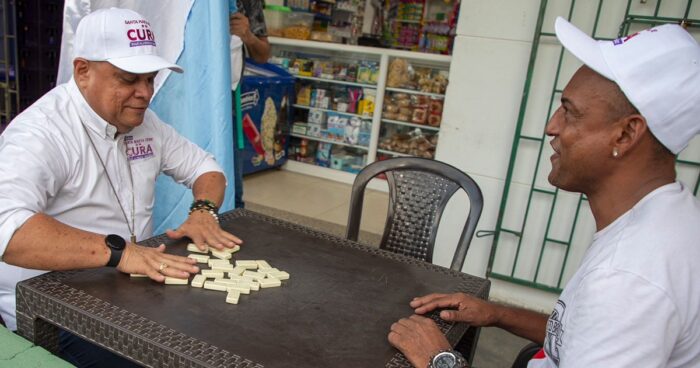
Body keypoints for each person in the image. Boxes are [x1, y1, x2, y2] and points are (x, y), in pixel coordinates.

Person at [388, 17, 700, 368]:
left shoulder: (628, 281)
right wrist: (496, 313)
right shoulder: (670, 215)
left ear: (626, 135)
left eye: (570, 112)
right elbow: (583, 336)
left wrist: (439, 360)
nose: (552, 126)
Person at [0, 7, 242, 366]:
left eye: (150, 78)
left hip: (127, 291)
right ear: (83, 71)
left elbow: (206, 168)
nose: (144, 92)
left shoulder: (146, 124)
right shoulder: (40, 133)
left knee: (220, 337)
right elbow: (8, 229)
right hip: (50, 308)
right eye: (129, 78)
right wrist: (123, 252)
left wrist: (204, 211)